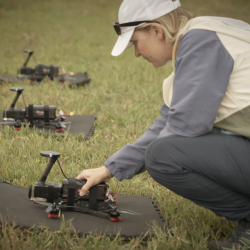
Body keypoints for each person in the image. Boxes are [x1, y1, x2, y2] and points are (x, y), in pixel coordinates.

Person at [76, 0, 250, 249]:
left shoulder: (199, 42)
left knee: (161, 156)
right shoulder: (205, 35)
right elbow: (168, 123)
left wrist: (149, 154)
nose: (136, 53)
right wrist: (108, 169)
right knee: (162, 149)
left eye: (135, 42)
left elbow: (184, 127)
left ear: (156, 30)